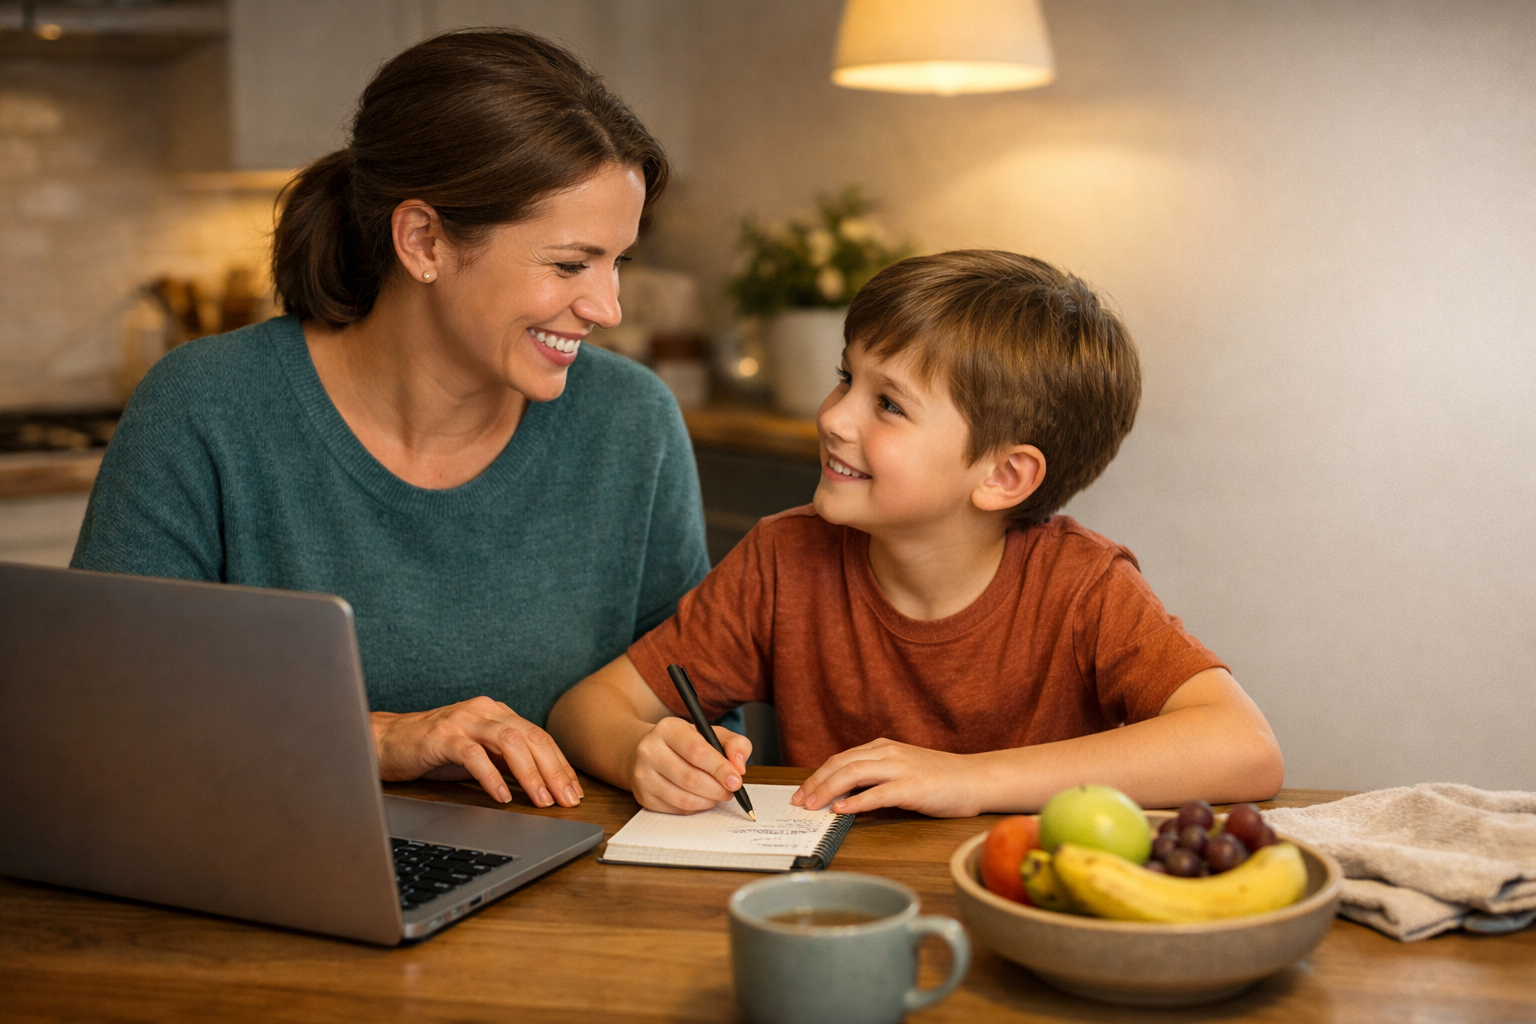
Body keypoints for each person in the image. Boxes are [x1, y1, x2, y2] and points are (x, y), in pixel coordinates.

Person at [71, 31, 710, 811]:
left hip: (570, 878)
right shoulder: (204, 407)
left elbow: (692, 702)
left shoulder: (632, 422)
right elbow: (101, 715)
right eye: (570, 265)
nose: (608, 308)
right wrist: (375, 739)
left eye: (618, 263)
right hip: (267, 866)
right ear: (423, 241)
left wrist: (680, 752)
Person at [549, 250, 1286, 817]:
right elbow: (584, 709)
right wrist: (640, 750)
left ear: (1003, 475)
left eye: (889, 405)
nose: (834, 416)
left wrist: (968, 780)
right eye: (847, 378)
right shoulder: (784, 559)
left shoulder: (1082, 586)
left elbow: (1245, 747)